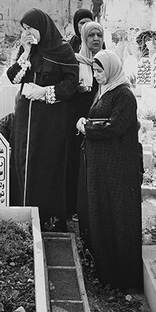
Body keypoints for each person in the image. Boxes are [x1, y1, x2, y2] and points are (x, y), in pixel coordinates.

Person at [6, 8, 79, 231]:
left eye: (30, 28)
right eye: (24, 29)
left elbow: (71, 84)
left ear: (42, 26)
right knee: (22, 161)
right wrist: (26, 52)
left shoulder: (62, 49)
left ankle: (46, 219)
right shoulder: (28, 50)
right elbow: (13, 77)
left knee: (45, 165)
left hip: (50, 120)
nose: (27, 33)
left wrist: (45, 91)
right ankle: (22, 215)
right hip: (25, 118)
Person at [77, 50, 142, 290]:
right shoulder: (103, 91)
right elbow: (98, 119)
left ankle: (119, 277)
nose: (96, 75)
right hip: (101, 165)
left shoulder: (123, 95)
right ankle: (102, 270)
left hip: (117, 169)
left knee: (116, 215)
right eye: (94, 71)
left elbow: (115, 127)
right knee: (101, 211)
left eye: (100, 70)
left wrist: (88, 128)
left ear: (112, 69)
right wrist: (84, 123)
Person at [69, 21, 104, 233]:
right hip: (77, 120)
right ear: (83, 38)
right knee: (77, 164)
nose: (96, 39)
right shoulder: (75, 61)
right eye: (91, 35)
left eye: (99, 35)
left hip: (99, 122)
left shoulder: (107, 61)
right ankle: (76, 207)